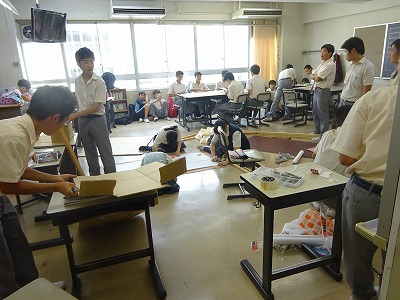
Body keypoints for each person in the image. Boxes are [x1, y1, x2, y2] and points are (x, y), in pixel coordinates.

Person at [0, 85, 78, 298]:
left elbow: (18, 170)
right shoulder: (14, 135)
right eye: (65, 121)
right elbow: (6, 185)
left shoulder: (26, 130)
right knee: (2, 261)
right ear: (55, 117)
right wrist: (55, 187)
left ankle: (34, 289)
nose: (65, 125)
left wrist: (55, 177)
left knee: (17, 243)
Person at [330, 85, 398, 300]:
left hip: (367, 192)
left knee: (358, 259)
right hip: (396, 196)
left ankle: (363, 295)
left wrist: (374, 156)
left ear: (395, 54)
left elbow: (345, 158)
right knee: (394, 273)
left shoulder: (376, 98)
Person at [69, 47, 116, 176]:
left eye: (91, 61)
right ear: (78, 64)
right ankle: (95, 182)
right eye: (85, 62)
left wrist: (73, 116)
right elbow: (79, 102)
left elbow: (95, 107)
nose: (90, 65)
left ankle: (113, 180)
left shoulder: (100, 82)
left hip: (98, 120)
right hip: (83, 121)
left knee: (105, 153)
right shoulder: (77, 81)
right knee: (90, 154)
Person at [311, 104, 352, 213]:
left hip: (312, 188)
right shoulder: (353, 138)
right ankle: (333, 208)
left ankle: (319, 201)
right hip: (333, 194)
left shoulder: (327, 134)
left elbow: (313, 155)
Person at [310, 44, 336, 142]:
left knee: (323, 114)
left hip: (323, 91)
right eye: (321, 51)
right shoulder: (322, 63)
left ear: (330, 53)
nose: (321, 53)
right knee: (315, 112)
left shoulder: (330, 64)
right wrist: (315, 76)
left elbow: (318, 78)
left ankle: (323, 136)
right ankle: (317, 130)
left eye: (324, 51)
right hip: (317, 90)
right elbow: (312, 75)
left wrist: (315, 76)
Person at [339, 37, 376, 107]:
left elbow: (366, 92)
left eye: (345, 52)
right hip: (343, 100)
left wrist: (360, 107)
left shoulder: (368, 67)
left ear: (353, 50)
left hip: (354, 104)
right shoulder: (350, 66)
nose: (345, 55)